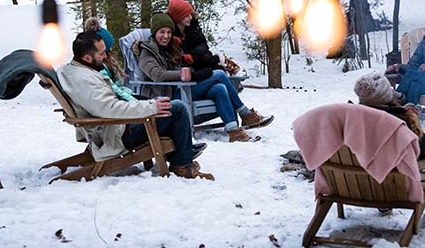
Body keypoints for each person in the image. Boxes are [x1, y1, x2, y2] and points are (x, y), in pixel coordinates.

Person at [57, 31, 214, 180]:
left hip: (114, 127)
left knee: (161, 102)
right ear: (87, 58)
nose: (105, 57)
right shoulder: (84, 80)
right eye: (101, 53)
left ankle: (181, 153)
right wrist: (150, 108)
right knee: (177, 108)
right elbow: (111, 109)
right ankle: (182, 165)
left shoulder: (76, 69)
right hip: (116, 133)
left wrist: (147, 103)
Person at [136, 13, 274, 143]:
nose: (166, 36)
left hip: (185, 88)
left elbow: (188, 65)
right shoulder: (147, 53)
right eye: (162, 32)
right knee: (219, 75)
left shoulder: (172, 48)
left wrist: (200, 69)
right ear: (154, 33)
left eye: (169, 32)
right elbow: (157, 75)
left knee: (219, 88)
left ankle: (234, 132)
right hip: (170, 94)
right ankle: (245, 114)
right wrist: (183, 74)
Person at [167, 0, 240, 74]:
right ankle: (223, 65)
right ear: (178, 17)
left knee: (209, 60)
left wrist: (193, 55)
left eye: (190, 14)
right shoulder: (170, 32)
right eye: (186, 16)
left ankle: (225, 66)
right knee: (210, 64)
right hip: (188, 65)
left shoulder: (193, 26)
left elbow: (203, 44)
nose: (190, 17)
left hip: (199, 58)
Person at [84, 17, 136, 101]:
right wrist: (135, 102)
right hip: (118, 101)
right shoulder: (100, 66)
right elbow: (115, 90)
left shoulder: (109, 62)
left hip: (122, 96)